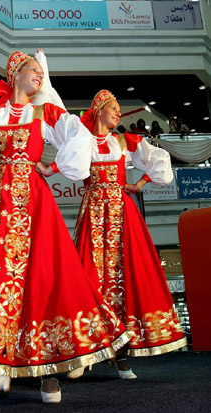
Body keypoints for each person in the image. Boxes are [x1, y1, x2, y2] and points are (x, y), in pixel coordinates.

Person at [0, 1, 130, 409]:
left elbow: (78, 133)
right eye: (32, 71)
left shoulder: (46, 111)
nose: (39, 75)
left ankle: (48, 373)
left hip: (34, 205)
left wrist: (64, 161)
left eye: (40, 73)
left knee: (44, 283)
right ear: (14, 73)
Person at [69, 90, 187, 379]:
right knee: (89, 276)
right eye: (113, 108)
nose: (118, 113)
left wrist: (142, 181)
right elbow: (70, 164)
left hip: (121, 216)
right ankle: (85, 351)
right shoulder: (83, 142)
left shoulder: (123, 141)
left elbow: (159, 158)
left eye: (119, 109)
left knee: (124, 278)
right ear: (98, 110)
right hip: (94, 215)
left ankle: (121, 356)